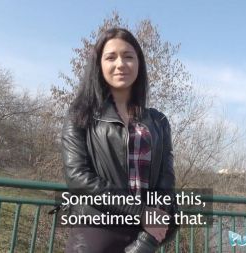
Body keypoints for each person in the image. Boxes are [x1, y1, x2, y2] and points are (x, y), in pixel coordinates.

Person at [61, 27, 177, 253]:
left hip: (145, 234)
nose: (120, 64)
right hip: (94, 232)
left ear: (139, 64)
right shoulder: (80, 114)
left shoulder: (158, 121)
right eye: (111, 57)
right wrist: (140, 212)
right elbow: (77, 178)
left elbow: (166, 184)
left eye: (128, 56)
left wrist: (148, 238)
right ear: (99, 65)